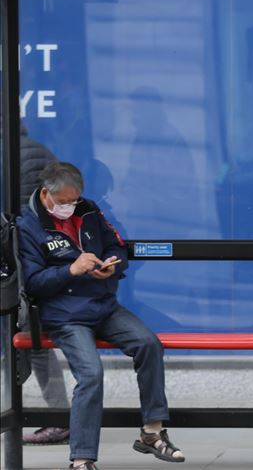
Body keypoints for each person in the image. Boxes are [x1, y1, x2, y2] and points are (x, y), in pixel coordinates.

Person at [16, 162, 186, 470]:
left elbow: (116, 246)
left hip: (103, 305)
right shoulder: (28, 226)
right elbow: (33, 283)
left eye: (74, 200)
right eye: (63, 201)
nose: (69, 206)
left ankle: (152, 432)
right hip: (65, 315)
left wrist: (112, 264)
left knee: (148, 344)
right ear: (45, 193)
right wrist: (71, 270)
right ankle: (82, 459)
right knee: (91, 374)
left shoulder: (90, 211)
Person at [18, 125, 72, 446]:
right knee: (34, 340)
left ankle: (57, 418)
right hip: (43, 257)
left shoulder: (10, 153)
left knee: (33, 340)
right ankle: (58, 415)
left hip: (22, 261)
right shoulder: (37, 148)